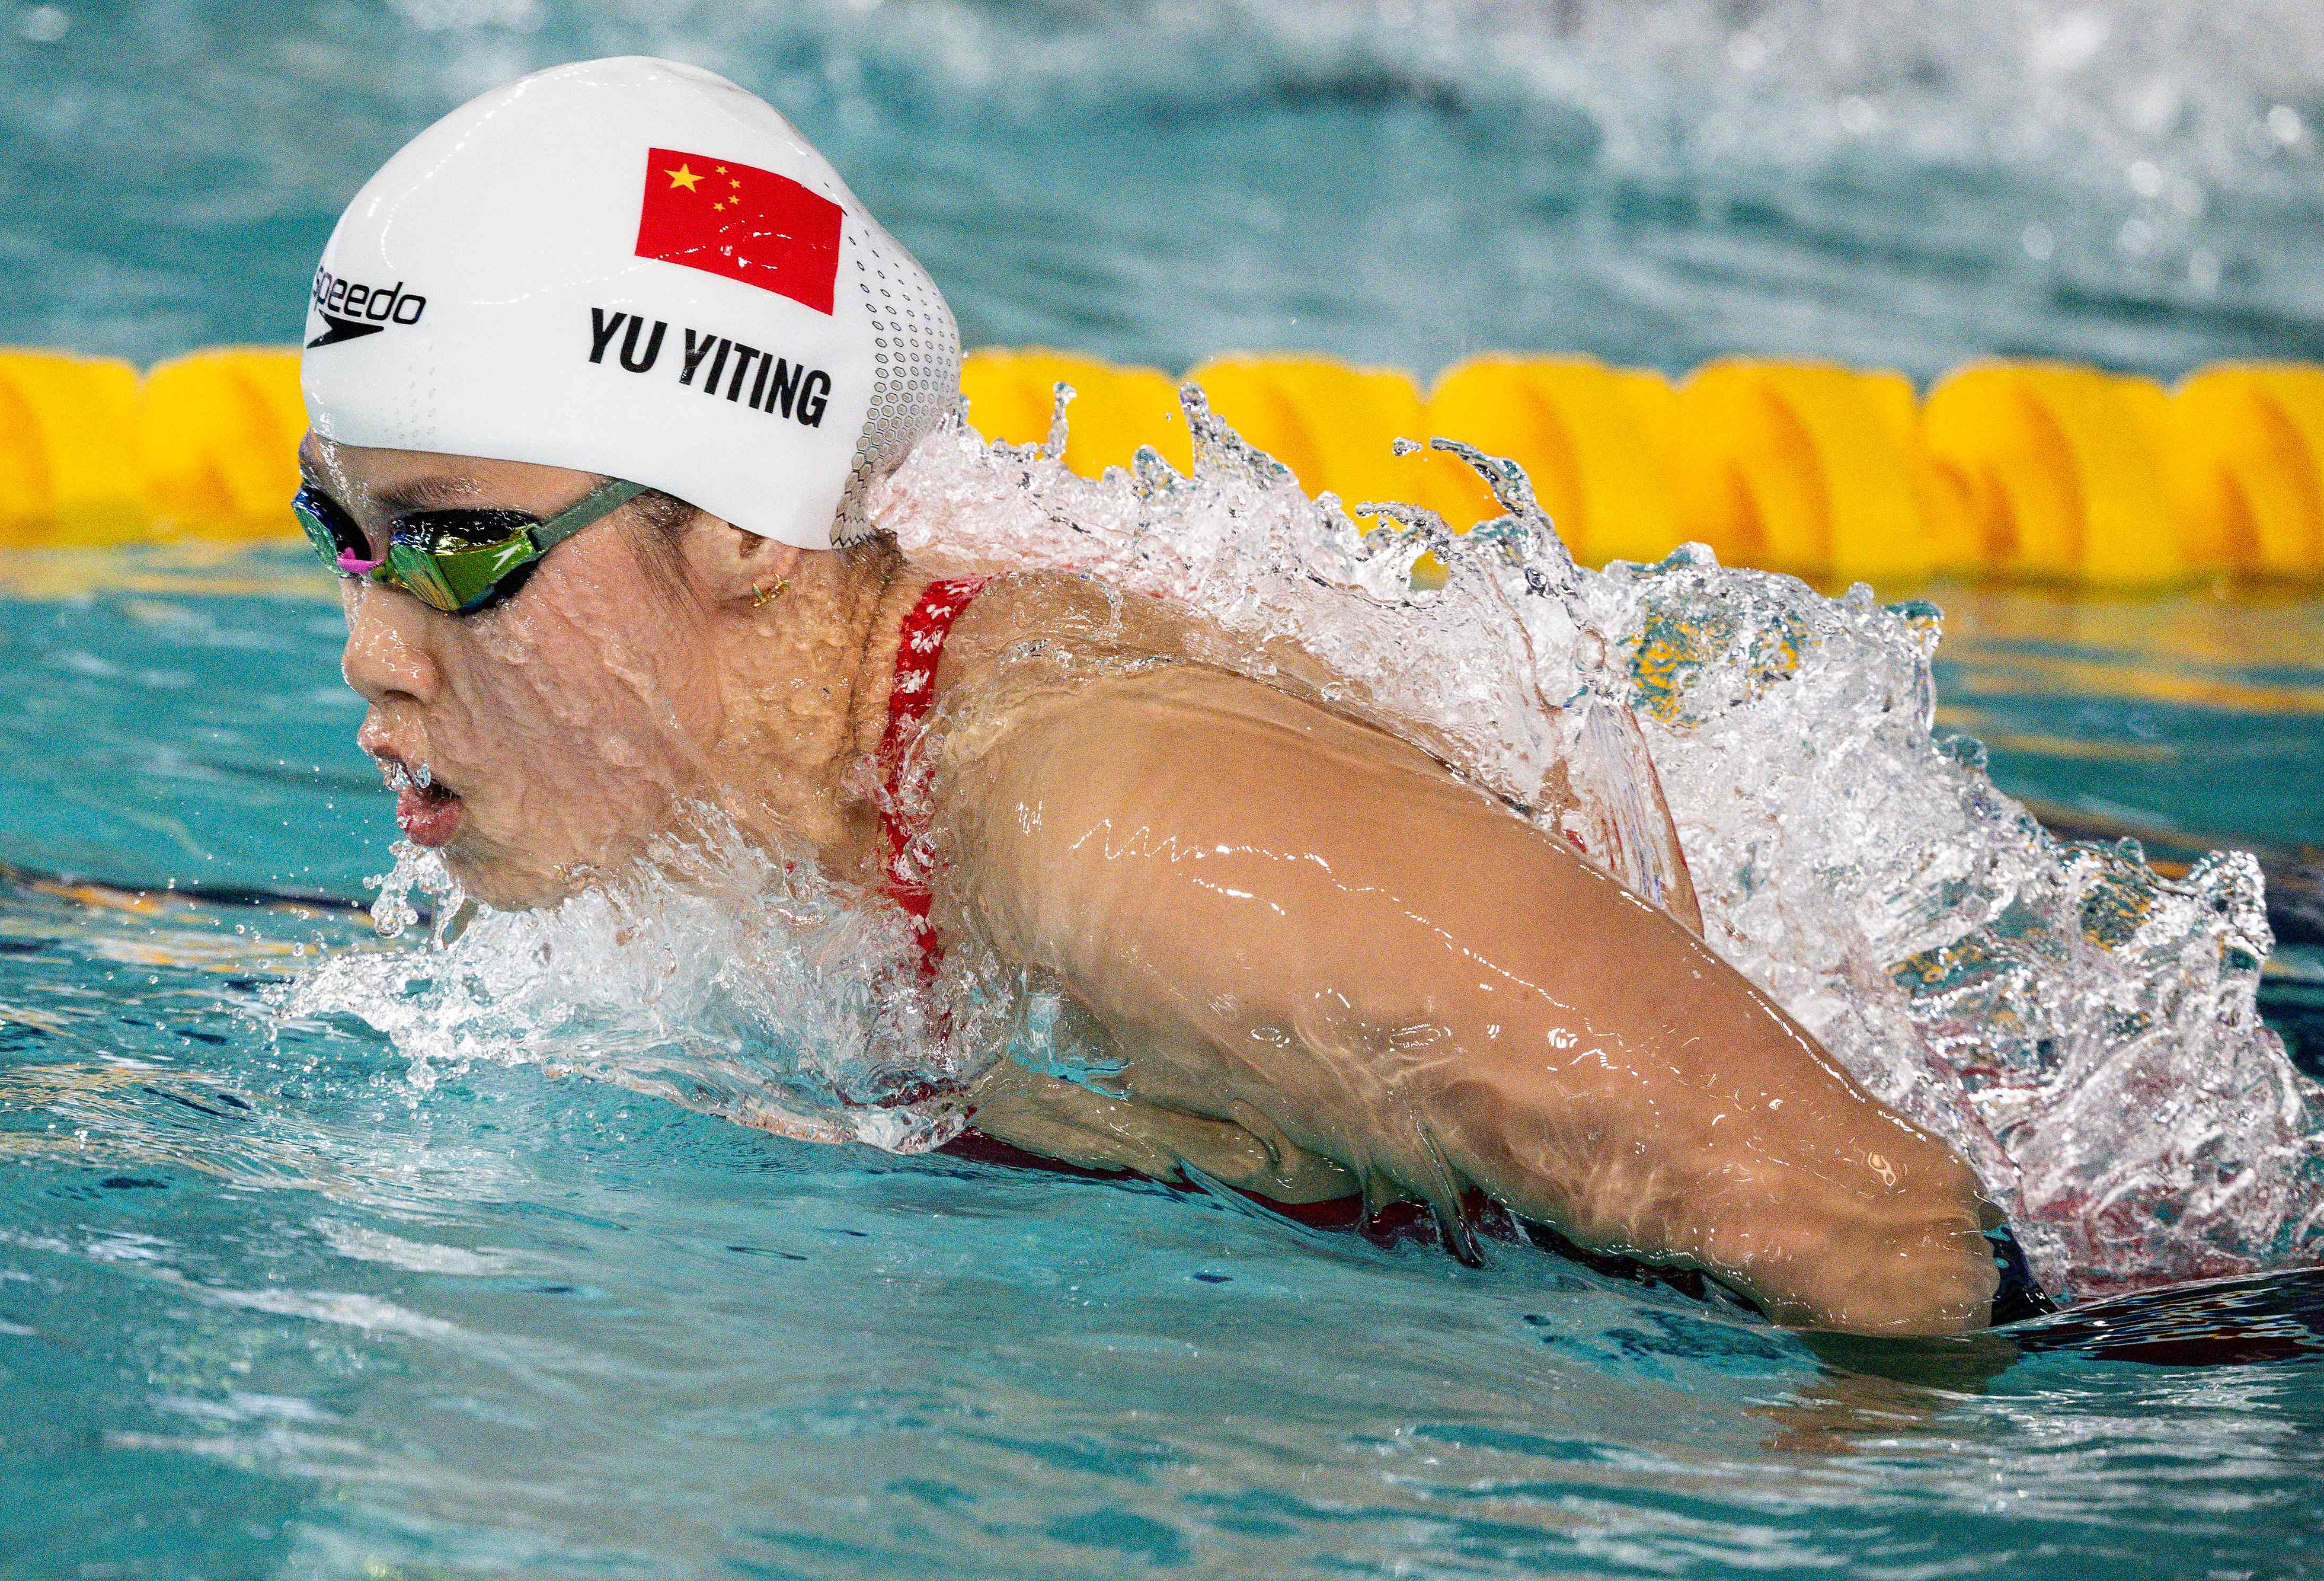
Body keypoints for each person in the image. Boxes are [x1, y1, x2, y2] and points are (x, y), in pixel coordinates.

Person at [297, 56, 2008, 1337]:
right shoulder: (790, 786)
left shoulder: (1122, 827)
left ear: (748, 525)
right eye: (345, 532)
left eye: (455, 545)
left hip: (2135, 1269)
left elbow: (1893, 1234)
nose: (373, 639)